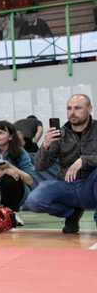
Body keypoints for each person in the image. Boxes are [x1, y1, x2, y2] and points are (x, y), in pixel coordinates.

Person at [24, 94, 97, 233]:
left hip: (91, 184)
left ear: (89, 109)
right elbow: (40, 166)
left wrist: (84, 160)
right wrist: (45, 145)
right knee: (34, 200)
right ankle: (71, 213)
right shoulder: (60, 134)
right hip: (67, 185)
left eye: (77, 108)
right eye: (69, 108)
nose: (72, 112)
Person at [0, 121, 35, 220]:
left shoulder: (20, 152)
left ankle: (12, 213)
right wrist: (3, 171)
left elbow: (30, 180)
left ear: (10, 137)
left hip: (16, 191)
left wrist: (11, 167)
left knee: (11, 179)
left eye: (1, 133)